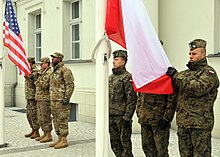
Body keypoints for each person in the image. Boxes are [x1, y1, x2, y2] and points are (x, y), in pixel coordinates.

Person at [166, 39, 219, 156]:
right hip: (184, 123)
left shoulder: (209, 73)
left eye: (194, 53)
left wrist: (176, 75)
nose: (191, 56)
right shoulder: (185, 73)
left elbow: (197, 88)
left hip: (200, 124)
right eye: (190, 53)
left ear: (203, 54)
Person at [136, 40, 177, 157]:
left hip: (159, 119)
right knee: (148, 150)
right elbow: (140, 93)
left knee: (161, 152)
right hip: (145, 118)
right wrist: (139, 111)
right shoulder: (144, 71)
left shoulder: (166, 70)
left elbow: (172, 97)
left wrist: (167, 118)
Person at [109, 50, 137, 157]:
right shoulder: (111, 78)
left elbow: (132, 99)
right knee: (114, 143)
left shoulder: (127, 77)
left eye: (116, 60)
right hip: (111, 116)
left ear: (123, 62)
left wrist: (128, 116)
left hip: (122, 117)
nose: (113, 62)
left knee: (125, 144)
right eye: (114, 59)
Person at [49, 52, 74, 149]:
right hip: (54, 99)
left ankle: (64, 139)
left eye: (54, 58)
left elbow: (70, 84)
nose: (52, 60)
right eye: (52, 58)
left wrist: (67, 98)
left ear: (59, 59)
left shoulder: (65, 70)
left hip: (61, 99)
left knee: (62, 119)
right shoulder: (54, 71)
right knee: (55, 119)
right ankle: (59, 138)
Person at [34, 57, 53, 143]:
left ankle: (48, 134)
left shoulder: (49, 72)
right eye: (40, 63)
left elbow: (43, 85)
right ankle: (44, 133)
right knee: (40, 116)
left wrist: (35, 80)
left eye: (42, 63)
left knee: (45, 116)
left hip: (45, 98)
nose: (40, 65)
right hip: (39, 97)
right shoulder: (41, 72)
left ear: (47, 63)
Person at [24, 57, 40, 139]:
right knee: (29, 114)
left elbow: (33, 81)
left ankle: (36, 131)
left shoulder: (35, 71)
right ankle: (33, 129)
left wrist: (27, 75)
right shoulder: (29, 71)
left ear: (30, 63)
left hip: (33, 96)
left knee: (34, 114)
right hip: (29, 96)